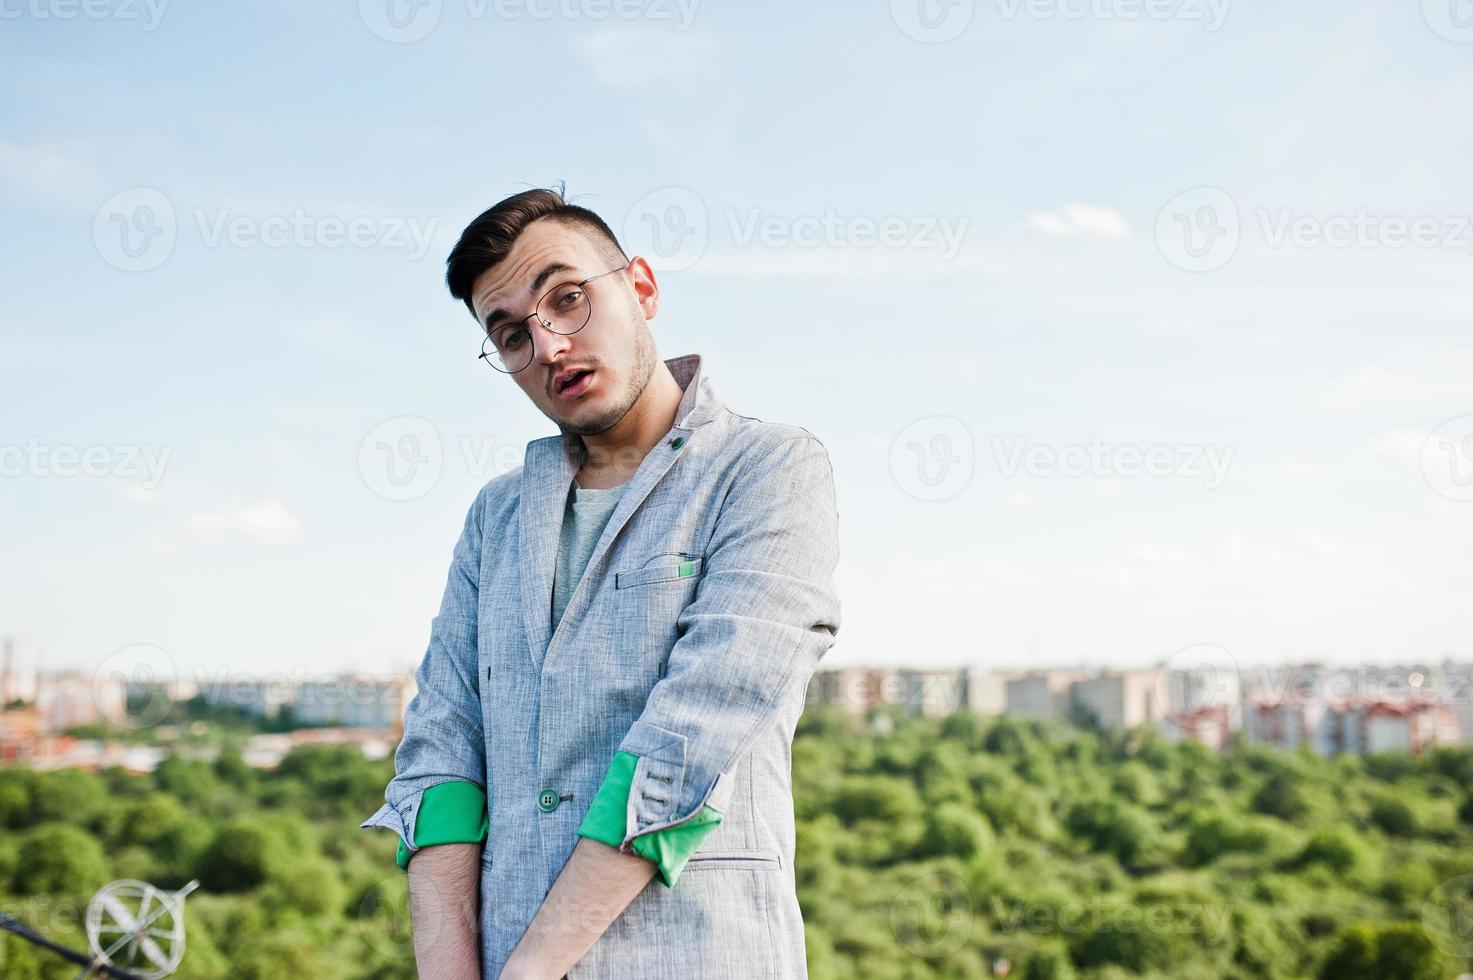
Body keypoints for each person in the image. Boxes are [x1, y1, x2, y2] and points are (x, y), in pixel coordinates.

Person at [361, 184, 842, 979]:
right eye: (510, 333)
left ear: (641, 288)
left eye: (568, 298)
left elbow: (685, 747)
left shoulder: (768, 469)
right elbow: (441, 757)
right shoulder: (497, 516)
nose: (548, 345)